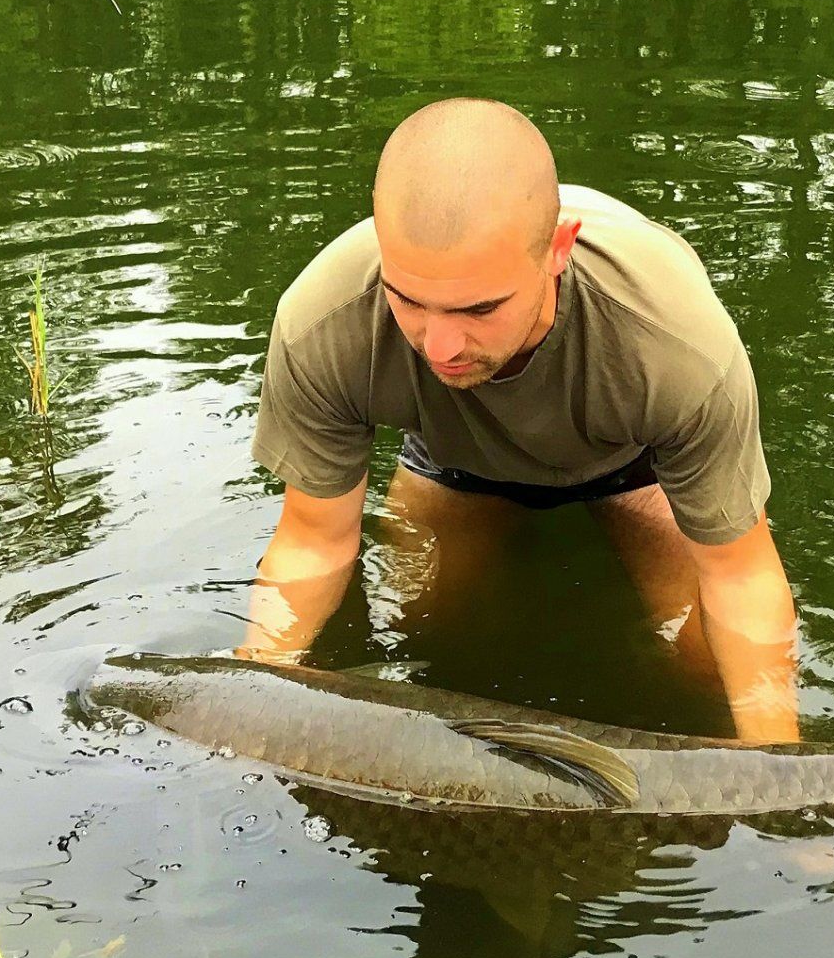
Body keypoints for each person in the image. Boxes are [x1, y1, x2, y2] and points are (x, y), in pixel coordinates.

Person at [237, 98, 799, 743]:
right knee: (428, 635)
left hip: (631, 460)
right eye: (408, 300)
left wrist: (779, 767)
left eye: (478, 308)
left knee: (701, 666)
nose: (438, 347)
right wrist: (253, 693)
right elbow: (313, 540)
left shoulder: (677, 347)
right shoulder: (323, 321)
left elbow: (740, 573)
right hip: (455, 460)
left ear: (559, 250)